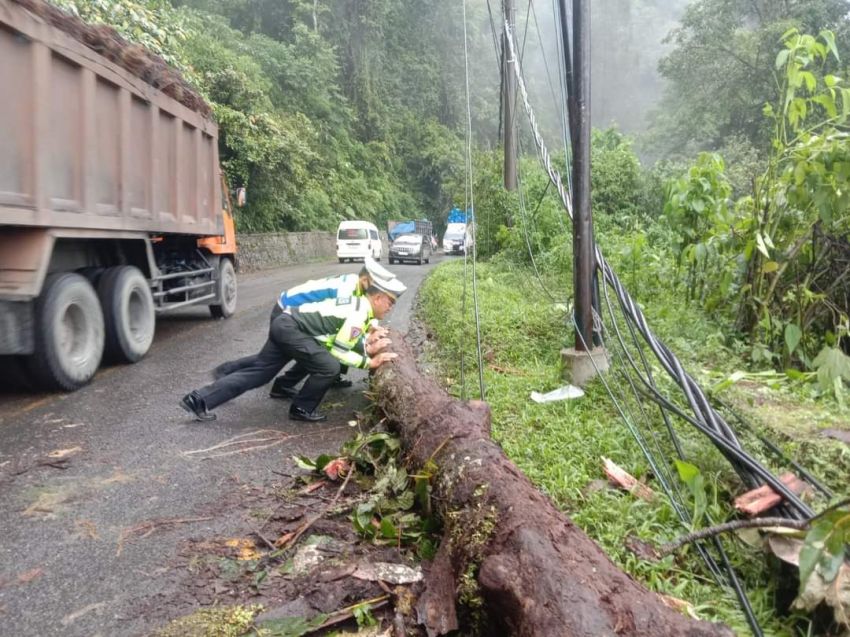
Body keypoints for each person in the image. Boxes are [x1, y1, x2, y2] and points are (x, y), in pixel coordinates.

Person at [180, 276, 406, 423]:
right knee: (329, 366)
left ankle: (199, 399)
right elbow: (338, 351)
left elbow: (338, 340)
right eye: (389, 302)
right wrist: (369, 362)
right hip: (291, 328)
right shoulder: (358, 312)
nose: (390, 307)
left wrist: (367, 346)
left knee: (260, 372)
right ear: (377, 298)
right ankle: (301, 408)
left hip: (287, 323)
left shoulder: (360, 308)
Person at [213, 257, 396, 390]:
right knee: (281, 357)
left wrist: (371, 326)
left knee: (315, 350)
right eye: (374, 286)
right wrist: (366, 347)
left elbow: (354, 320)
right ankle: (227, 370)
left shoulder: (354, 284)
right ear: (365, 281)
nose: (374, 291)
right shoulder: (346, 290)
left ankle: (325, 378)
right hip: (288, 310)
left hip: (296, 313)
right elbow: (346, 329)